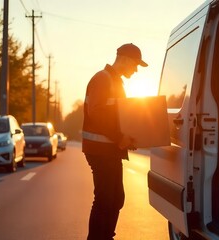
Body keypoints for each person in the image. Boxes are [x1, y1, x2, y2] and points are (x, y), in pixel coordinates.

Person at [82, 43, 148, 240]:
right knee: (105, 200)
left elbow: (117, 117)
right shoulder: (103, 79)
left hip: (109, 149)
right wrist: (120, 138)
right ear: (125, 59)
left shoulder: (115, 81)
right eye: (135, 65)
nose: (135, 70)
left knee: (115, 198)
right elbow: (96, 113)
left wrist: (128, 136)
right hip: (100, 150)